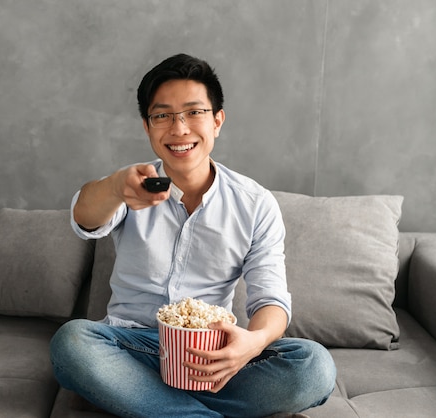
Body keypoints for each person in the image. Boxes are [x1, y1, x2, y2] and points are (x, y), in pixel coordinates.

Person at [50, 53, 336, 418]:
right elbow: (83, 218)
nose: (179, 128)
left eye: (194, 112)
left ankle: (144, 403)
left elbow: (271, 299)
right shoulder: (131, 185)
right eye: (163, 115)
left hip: (211, 358)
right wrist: (114, 187)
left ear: (217, 121)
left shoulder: (254, 204)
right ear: (147, 126)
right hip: (132, 348)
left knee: (314, 366)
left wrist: (252, 343)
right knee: (72, 343)